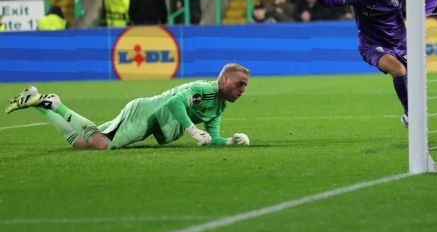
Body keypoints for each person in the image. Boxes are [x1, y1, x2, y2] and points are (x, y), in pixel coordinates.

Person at [312, 0, 437, 127]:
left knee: (416, 76)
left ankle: (411, 113)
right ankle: (411, 115)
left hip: (401, 43)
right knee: (398, 70)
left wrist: (417, 19)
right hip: (372, 46)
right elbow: (329, 1)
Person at [5, 63, 252, 150]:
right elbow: (176, 102)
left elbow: (214, 136)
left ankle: (40, 102)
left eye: (245, 86)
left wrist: (230, 141)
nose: (242, 90)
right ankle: (54, 103)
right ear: (225, 80)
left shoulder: (219, 107)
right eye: (240, 84)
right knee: (101, 144)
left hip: (150, 122)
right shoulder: (204, 89)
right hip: (144, 114)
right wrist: (192, 130)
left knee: (84, 143)